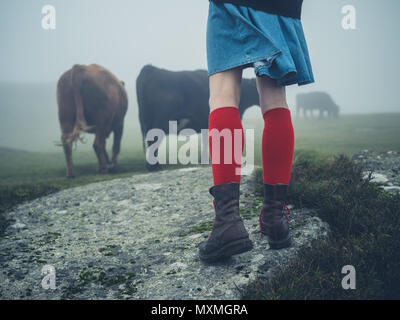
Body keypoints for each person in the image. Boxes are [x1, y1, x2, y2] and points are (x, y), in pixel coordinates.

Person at [198, 0, 314, 262]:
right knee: (274, 99)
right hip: (280, 7)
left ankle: (227, 220)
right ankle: (275, 219)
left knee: (222, 96)